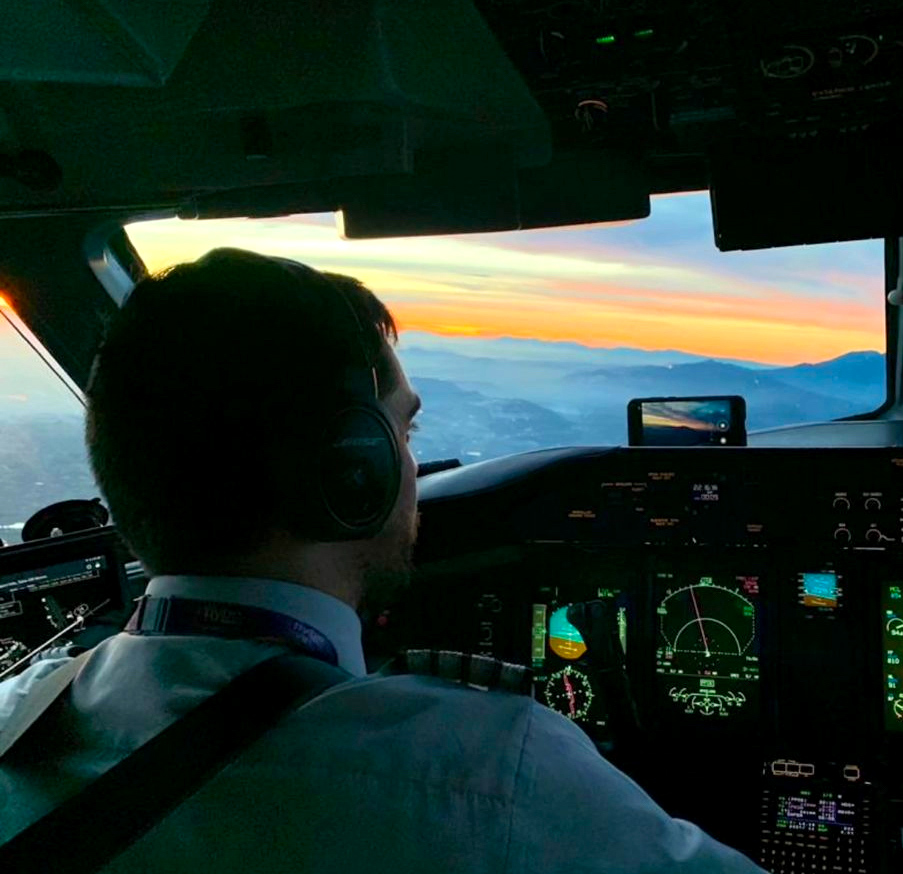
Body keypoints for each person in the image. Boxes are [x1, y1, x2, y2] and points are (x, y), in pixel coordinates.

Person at [0, 249, 764, 873]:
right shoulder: (494, 774)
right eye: (404, 431)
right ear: (352, 471)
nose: (411, 464)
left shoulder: (15, 720)